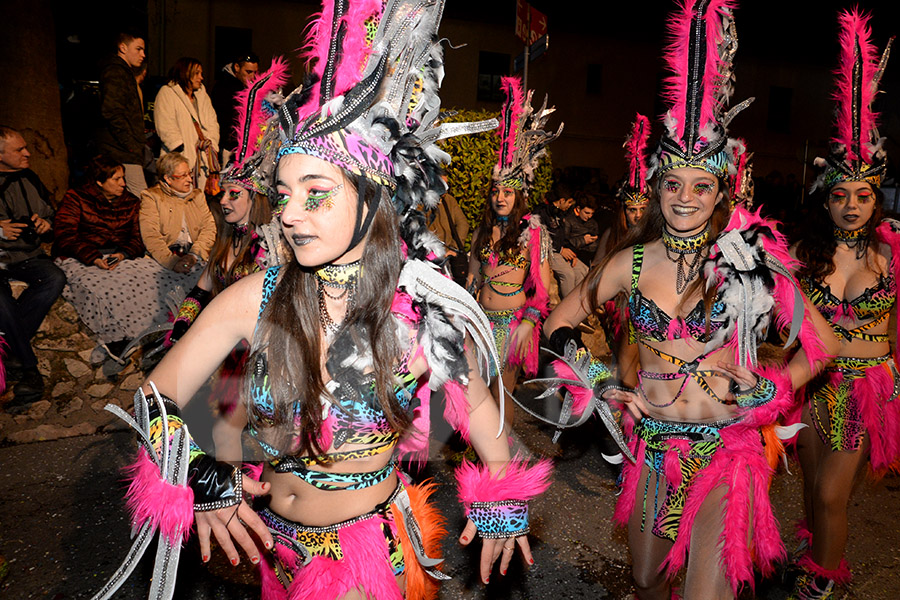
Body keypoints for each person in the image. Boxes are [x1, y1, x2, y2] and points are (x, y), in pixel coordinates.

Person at [94, 3, 551, 599]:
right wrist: (200, 472)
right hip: (271, 548)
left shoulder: (424, 319)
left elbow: (491, 431)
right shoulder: (258, 295)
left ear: (373, 199)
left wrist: (501, 507)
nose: (288, 213)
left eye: (317, 194)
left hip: (365, 558)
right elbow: (155, 396)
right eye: (284, 194)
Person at [542, 3, 838, 598]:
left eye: (701, 186)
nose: (685, 197)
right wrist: (598, 381)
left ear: (720, 190)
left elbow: (822, 343)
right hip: (653, 449)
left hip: (727, 453)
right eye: (673, 184)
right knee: (648, 578)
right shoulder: (629, 261)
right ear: (658, 186)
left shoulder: (749, 256)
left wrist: (771, 395)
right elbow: (559, 321)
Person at [790, 11, 899, 599]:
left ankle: (823, 583)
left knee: (834, 495)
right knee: (811, 492)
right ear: (825, 201)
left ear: (874, 200)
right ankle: (815, 553)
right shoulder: (806, 255)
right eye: (841, 195)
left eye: (863, 195)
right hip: (816, 381)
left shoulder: (892, 252)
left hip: (867, 387)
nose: (853, 205)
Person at [167, 61, 290, 460]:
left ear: (254, 200)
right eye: (223, 194)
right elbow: (201, 290)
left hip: (257, 362)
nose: (223, 200)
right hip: (223, 358)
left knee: (267, 444)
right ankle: (231, 495)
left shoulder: (272, 246)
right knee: (222, 437)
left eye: (234, 195)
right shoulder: (226, 243)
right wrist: (183, 326)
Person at [466, 76, 560, 424]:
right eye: (495, 191)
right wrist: (465, 319)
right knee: (477, 398)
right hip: (480, 324)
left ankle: (498, 466)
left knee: (500, 398)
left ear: (518, 195)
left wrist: (527, 325)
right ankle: (487, 459)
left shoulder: (533, 233)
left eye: (508, 192)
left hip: (511, 325)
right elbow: (472, 282)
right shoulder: (482, 231)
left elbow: (543, 289)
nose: (500, 197)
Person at [0, 126, 66, 406]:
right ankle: (29, 369)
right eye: (19, 150)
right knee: (1, 300)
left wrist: (45, 223)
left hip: (27, 255)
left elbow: (50, 212)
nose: (28, 153)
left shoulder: (29, 177)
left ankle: (11, 350)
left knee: (54, 278)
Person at [139, 152, 216, 275]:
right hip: (163, 260)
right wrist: (172, 262)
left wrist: (195, 254)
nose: (189, 179)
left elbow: (209, 228)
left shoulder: (197, 196)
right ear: (168, 179)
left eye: (189, 173)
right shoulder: (152, 197)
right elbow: (150, 235)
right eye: (183, 176)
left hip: (195, 257)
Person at [154, 57, 220, 193]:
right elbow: (165, 125)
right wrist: (179, 149)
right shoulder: (167, 93)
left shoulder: (202, 95)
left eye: (201, 73)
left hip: (203, 160)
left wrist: (211, 145)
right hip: (179, 160)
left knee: (199, 202)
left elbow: (212, 123)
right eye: (196, 73)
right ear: (185, 73)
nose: (201, 78)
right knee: (177, 201)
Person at [96, 31, 148, 196]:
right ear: (123, 47)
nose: (143, 55)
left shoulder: (123, 72)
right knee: (142, 199)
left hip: (124, 149)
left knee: (128, 198)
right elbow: (112, 111)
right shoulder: (116, 72)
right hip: (121, 150)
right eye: (138, 49)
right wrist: (131, 145)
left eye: (143, 50)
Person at [210, 52, 260, 165]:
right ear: (237, 67)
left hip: (245, 147)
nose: (252, 77)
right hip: (229, 148)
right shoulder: (223, 87)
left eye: (255, 73)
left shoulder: (249, 87)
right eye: (248, 72)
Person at [425, 172, 470, 286]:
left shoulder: (449, 201)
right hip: (428, 258)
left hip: (448, 256)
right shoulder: (422, 201)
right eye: (441, 184)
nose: (445, 189)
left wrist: (454, 248)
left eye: (446, 185)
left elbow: (463, 224)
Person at [558, 192, 600, 284]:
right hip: (571, 255)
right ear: (578, 209)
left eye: (592, 213)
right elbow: (564, 241)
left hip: (588, 257)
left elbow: (595, 245)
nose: (589, 216)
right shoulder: (568, 220)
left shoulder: (593, 223)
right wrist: (583, 240)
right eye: (586, 213)